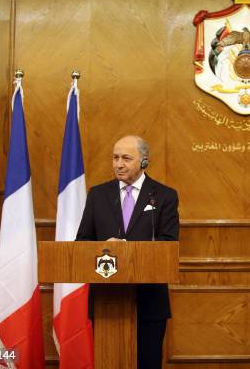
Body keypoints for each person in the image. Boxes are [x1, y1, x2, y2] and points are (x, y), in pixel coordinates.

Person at [76, 135, 179, 369]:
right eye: (115, 158)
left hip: (149, 299)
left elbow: (169, 244)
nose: (118, 164)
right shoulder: (98, 194)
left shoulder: (163, 196)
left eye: (126, 158)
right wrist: (106, 247)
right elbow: (82, 242)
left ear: (144, 162)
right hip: (106, 301)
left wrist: (128, 251)